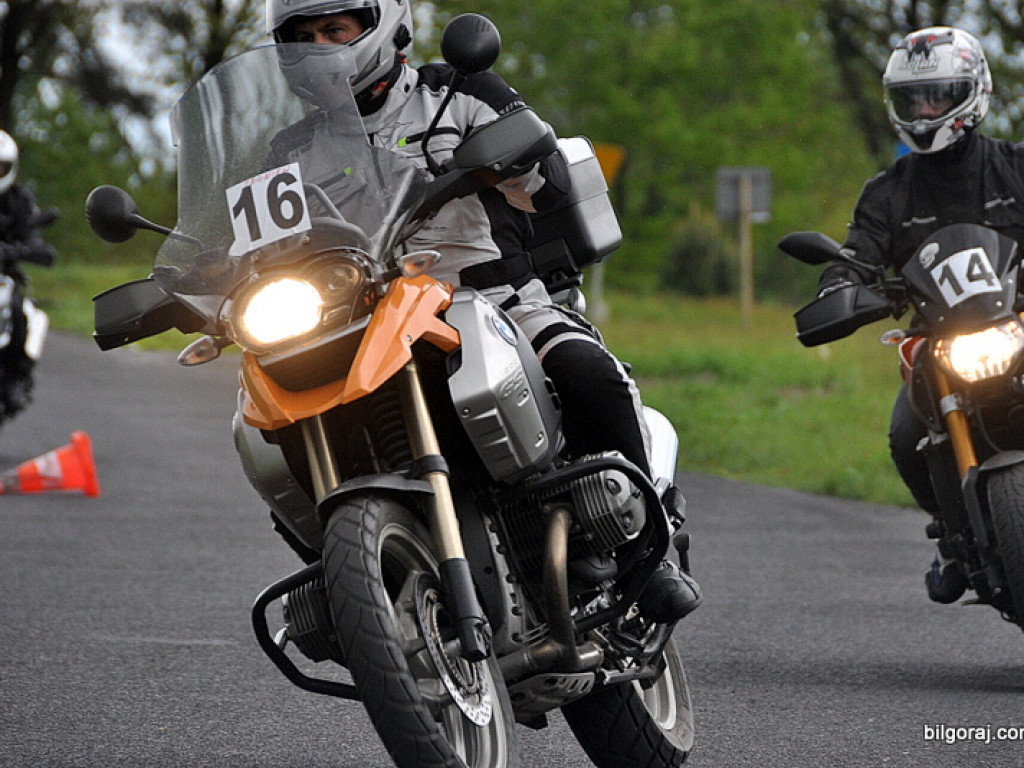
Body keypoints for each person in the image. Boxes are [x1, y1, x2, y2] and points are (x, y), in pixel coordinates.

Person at [265, 0, 700, 623]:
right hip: (364, 326)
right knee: (278, 414)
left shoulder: (457, 92)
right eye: (304, 37)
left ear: (382, 24)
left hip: (492, 301)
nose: (322, 47)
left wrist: (514, 163)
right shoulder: (289, 151)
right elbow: (246, 239)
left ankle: (644, 550)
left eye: (335, 29)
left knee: (583, 372)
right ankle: (347, 571)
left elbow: (545, 180)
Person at [816, 26, 1023, 602]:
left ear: (973, 92)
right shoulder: (887, 193)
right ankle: (954, 534)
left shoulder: (1015, 168)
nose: (927, 109)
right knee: (906, 434)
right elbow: (854, 256)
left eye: (939, 94)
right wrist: (841, 286)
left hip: (1018, 324)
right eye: (915, 99)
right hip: (940, 342)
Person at [0, 131, 56, 267]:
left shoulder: (20, 199)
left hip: (6, 273)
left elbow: (33, 237)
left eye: (1, 167)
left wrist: (22, 250)